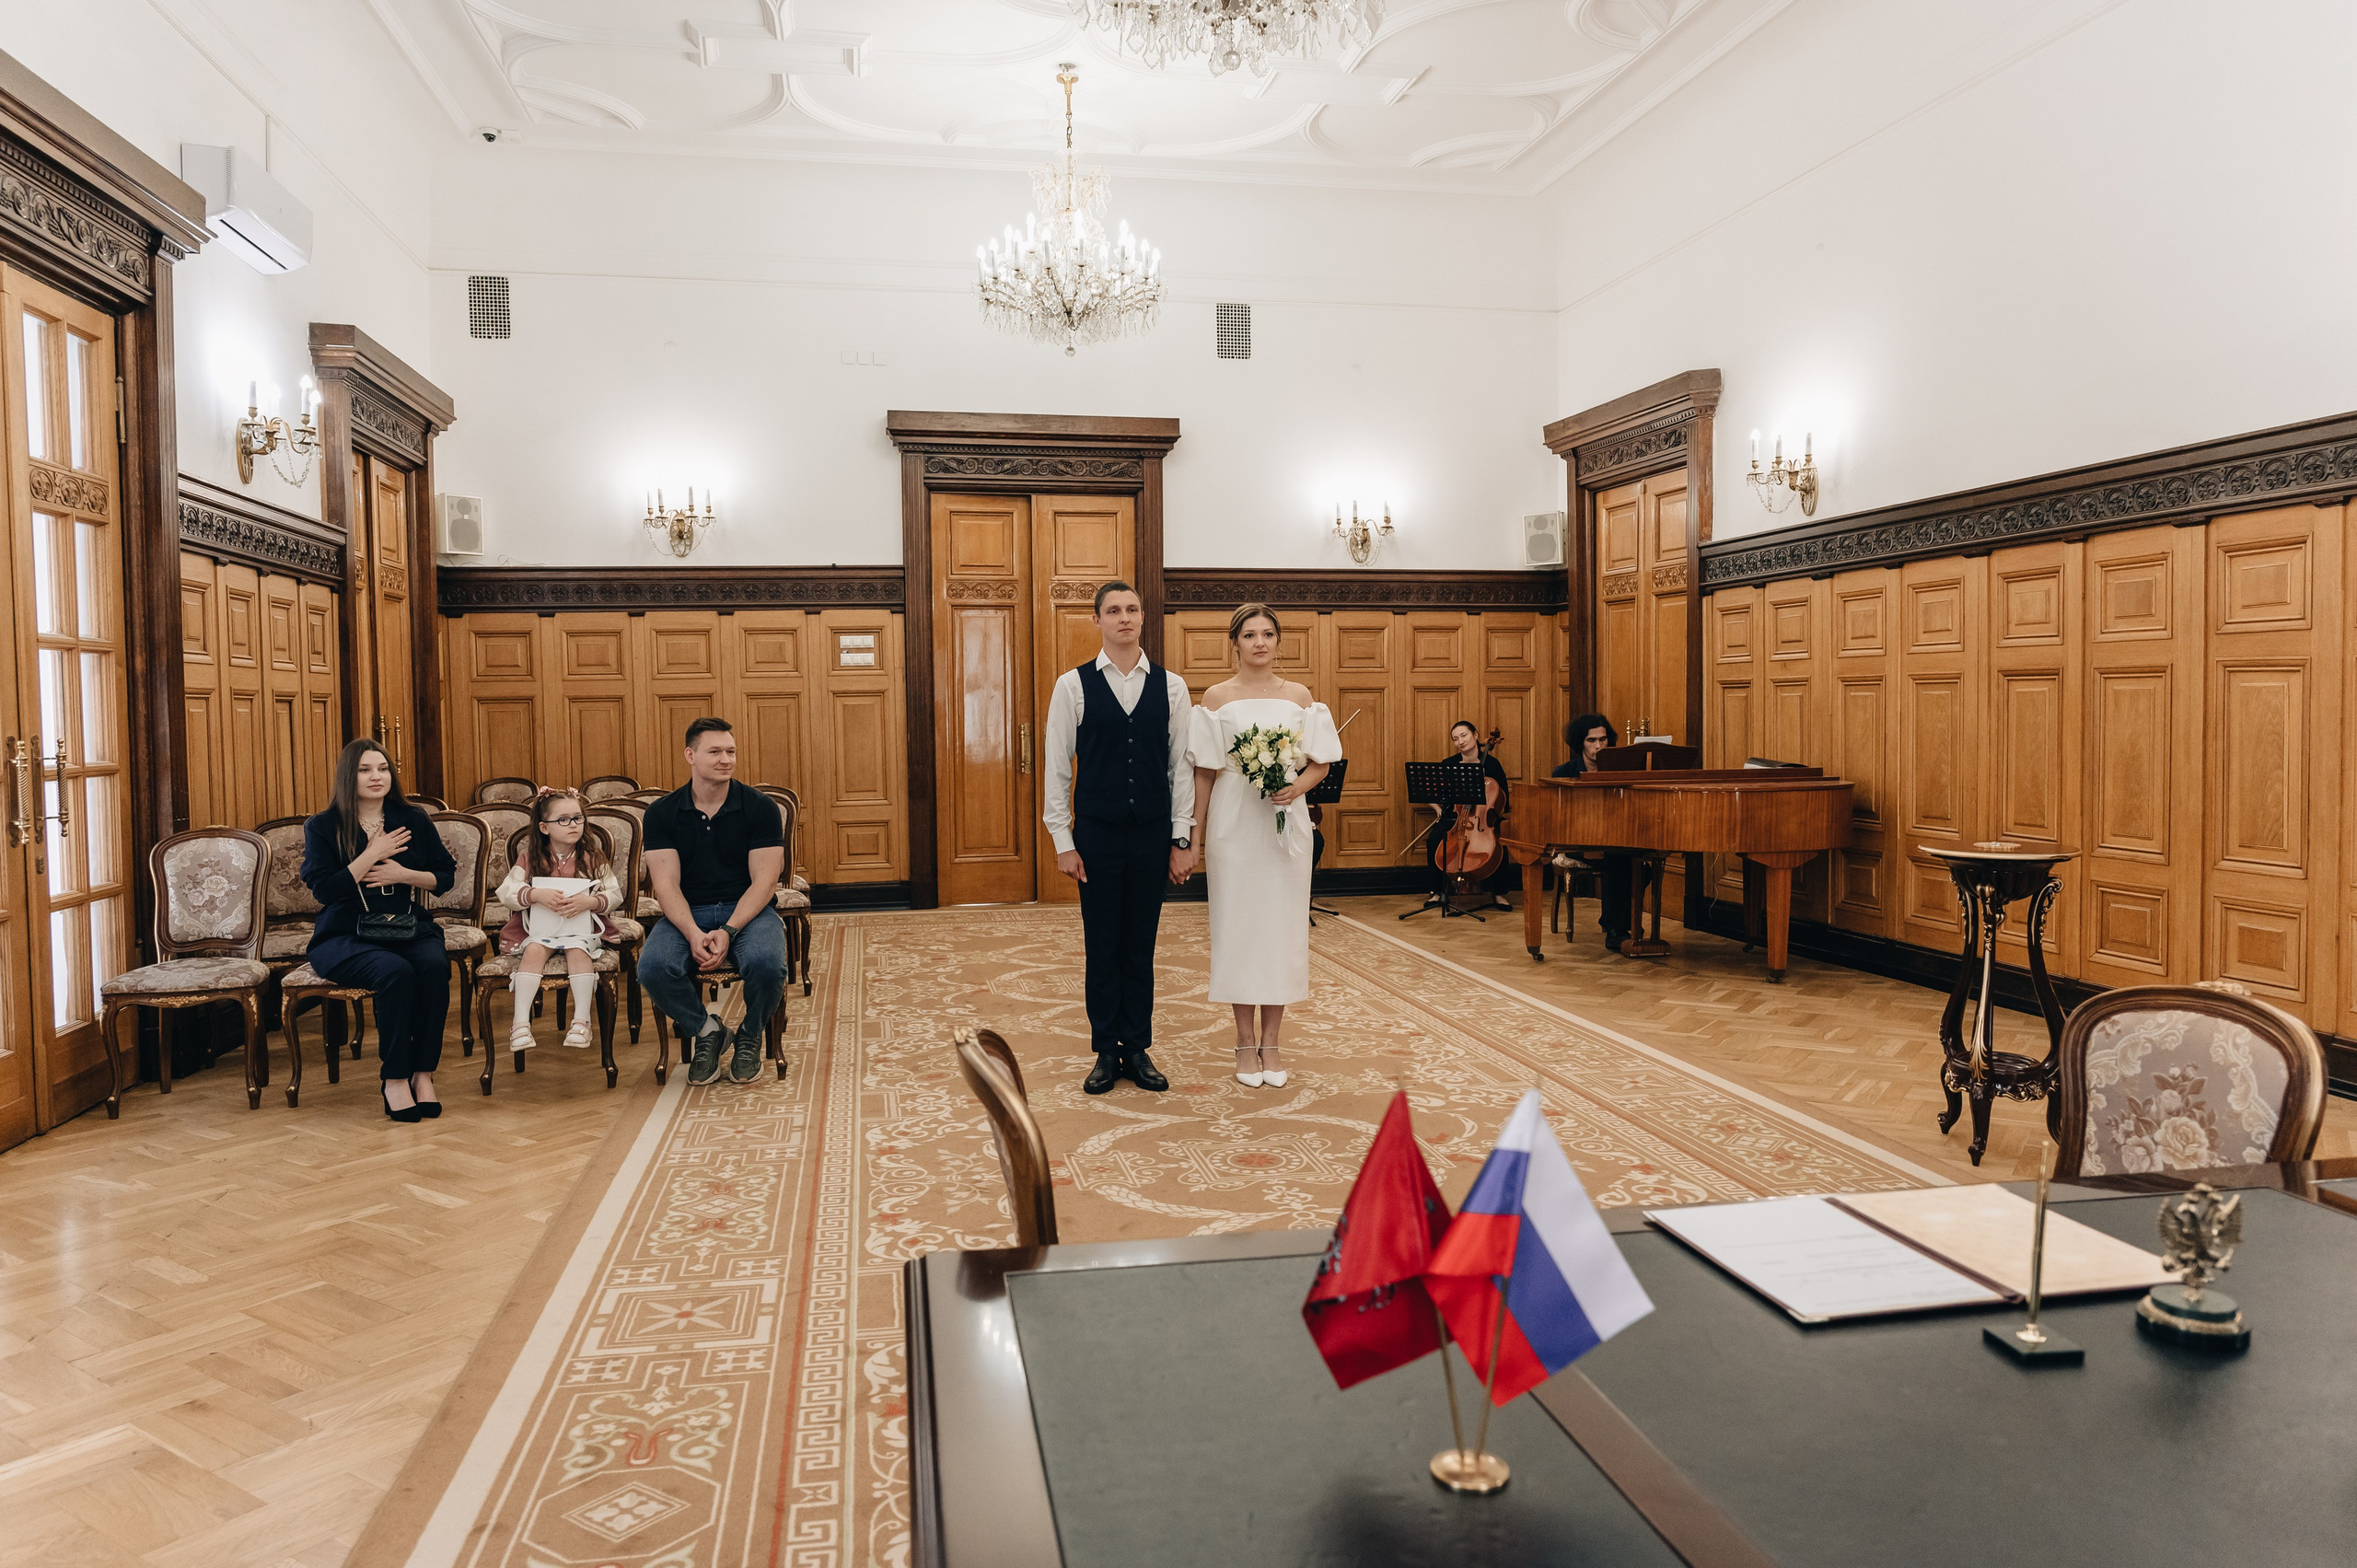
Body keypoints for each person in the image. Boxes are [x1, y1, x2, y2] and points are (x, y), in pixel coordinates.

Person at [1043, 580, 1197, 1095]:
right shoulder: (1072, 685)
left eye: (1132, 609)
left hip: (1152, 834)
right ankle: (1106, 1051)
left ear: (1142, 617)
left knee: (1141, 945)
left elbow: (1180, 767)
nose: (1124, 617)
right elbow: (1057, 768)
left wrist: (1181, 839)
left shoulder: (1173, 687)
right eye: (1113, 610)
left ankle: (1138, 1047)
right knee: (1103, 943)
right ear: (1098, 621)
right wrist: (1063, 839)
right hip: (1098, 837)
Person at [1187, 603, 1342, 1087]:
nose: (1259, 642)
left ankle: (1271, 1043)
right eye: (1249, 634)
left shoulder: (1300, 696)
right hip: (1234, 821)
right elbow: (1206, 772)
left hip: (1285, 822)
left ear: (1278, 642)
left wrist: (1295, 787)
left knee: (1280, 929)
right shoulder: (1216, 696)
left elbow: (1322, 762)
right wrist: (1194, 836)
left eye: (1268, 634)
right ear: (1234, 642)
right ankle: (1241, 1041)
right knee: (1238, 928)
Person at [299, 737, 457, 1122]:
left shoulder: (414, 818)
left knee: (434, 967)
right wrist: (371, 853)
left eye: (383, 768)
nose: (376, 777)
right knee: (395, 973)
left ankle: (423, 1074)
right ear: (348, 776)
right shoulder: (323, 826)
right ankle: (395, 1078)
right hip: (345, 934)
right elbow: (324, 890)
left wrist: (404, 874)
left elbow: (445, 876)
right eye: (366, 770)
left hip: (407, 926)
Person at [638, 718, 787, 1086]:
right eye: (715, 751)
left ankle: (751, 1034)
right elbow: (666, 885)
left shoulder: (760, 808)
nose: (726, 759)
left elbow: (765, 882)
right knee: (652, 968)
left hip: (748, 912)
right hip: (687, 911)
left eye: (731, 751)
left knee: (768, 964)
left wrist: (729, 929)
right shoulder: (661, 813)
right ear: (690, 755)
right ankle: (707, 1030)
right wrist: (692, 932)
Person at [494, 787, 621, 1051]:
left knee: (578, 950)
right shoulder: (529, 858)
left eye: (578, 818)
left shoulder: (593, 857)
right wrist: (534, 894)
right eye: (563, 819)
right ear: (544, 827)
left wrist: (591, 901)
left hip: (581, 931)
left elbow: (616, 894)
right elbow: (506, 891)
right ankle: (520, 1025)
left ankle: (582, 1022)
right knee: (533, 950)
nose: (573, 824)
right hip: (542, 930)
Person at [1553, 713, 1633, 951]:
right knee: (1621, 862)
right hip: (1577, 840)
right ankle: (1617, 930)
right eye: (1592, 740)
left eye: (1603, 739)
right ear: (1580, 743)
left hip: (1614, 838)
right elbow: (1560, 816)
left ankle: (1613, 923)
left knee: (1636, 864)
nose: (1598, 746)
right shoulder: (1564, 772)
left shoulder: (1619, 772)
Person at [1426, 718, 1513, 912]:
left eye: (1464, 735)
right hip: (1455, 817)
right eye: (1455, 739)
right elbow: (1430, 792)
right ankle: (1437, 891)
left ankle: (1499, 893)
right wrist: (1438, 809)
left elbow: (1504, 796)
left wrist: (1492, 809)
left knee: (1498, 840)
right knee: (1433, 840)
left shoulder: (1491, 764)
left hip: (1483, 818)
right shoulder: (1449, 764)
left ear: (1475, 736)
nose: (1460, 741)